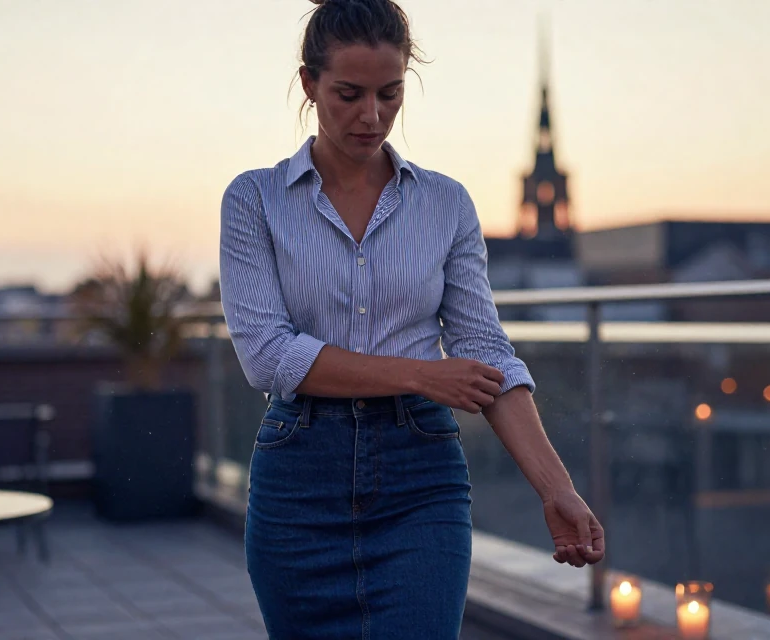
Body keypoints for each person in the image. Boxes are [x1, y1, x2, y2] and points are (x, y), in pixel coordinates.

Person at [218, 0, 604, 637]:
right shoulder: (254, 199)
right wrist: (422, 374)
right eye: (349, 94)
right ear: (310, 83)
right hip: (299, 480)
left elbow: (486, 353)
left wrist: (555, 487)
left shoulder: (445, 204)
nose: (372, 116)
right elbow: (268, 356)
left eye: (390, 94)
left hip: (420, 476)